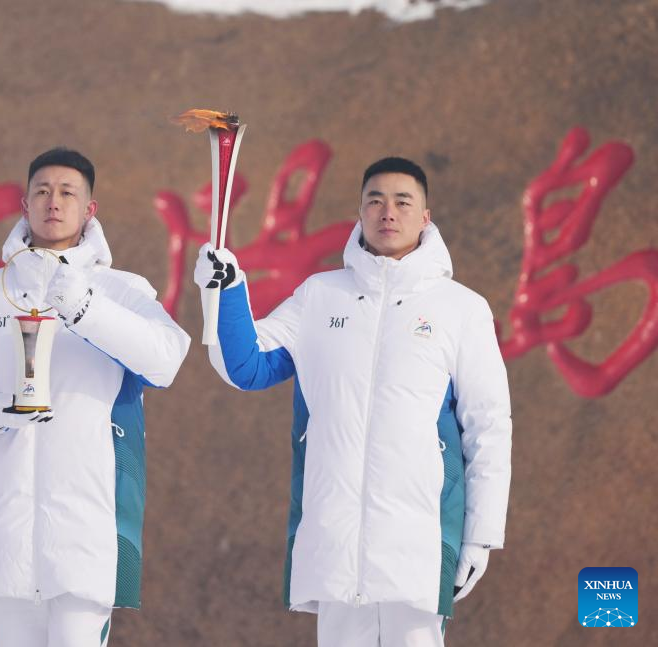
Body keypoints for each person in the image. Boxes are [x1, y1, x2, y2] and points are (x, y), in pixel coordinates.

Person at [194, 157, 511, 646]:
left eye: (402, 201)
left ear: (425, 216)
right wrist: (227, 291)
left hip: (418, 544)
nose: (388, 212)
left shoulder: (461, 308)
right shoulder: (320, 296)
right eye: (375, 201)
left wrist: (480, 536)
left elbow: (488, 425)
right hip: (335, 544)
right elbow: (247, 366)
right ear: (359, 212)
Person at [0, 148, 190, 647]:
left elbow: (166, 359)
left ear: (90, 209)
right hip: (7, 529)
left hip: (87, 529)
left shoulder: (120, 289)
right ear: (25, 204)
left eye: (68, 192)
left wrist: (83, 307)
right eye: (42, 191)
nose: (53, 201)